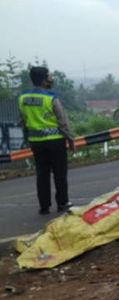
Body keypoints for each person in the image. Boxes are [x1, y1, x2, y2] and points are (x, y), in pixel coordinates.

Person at [18, 66, 75, 215]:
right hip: (55, 141)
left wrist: (28, 137)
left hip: (36, 142)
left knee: (42, 174)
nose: (51, 80)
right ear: (44, 81)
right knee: (59, 174)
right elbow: (62, 121)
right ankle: (63, 203)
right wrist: (70, 139)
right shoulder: (51, 98)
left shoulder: (22, 98)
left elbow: (23, 120)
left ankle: (44, 206)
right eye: (49, 77)